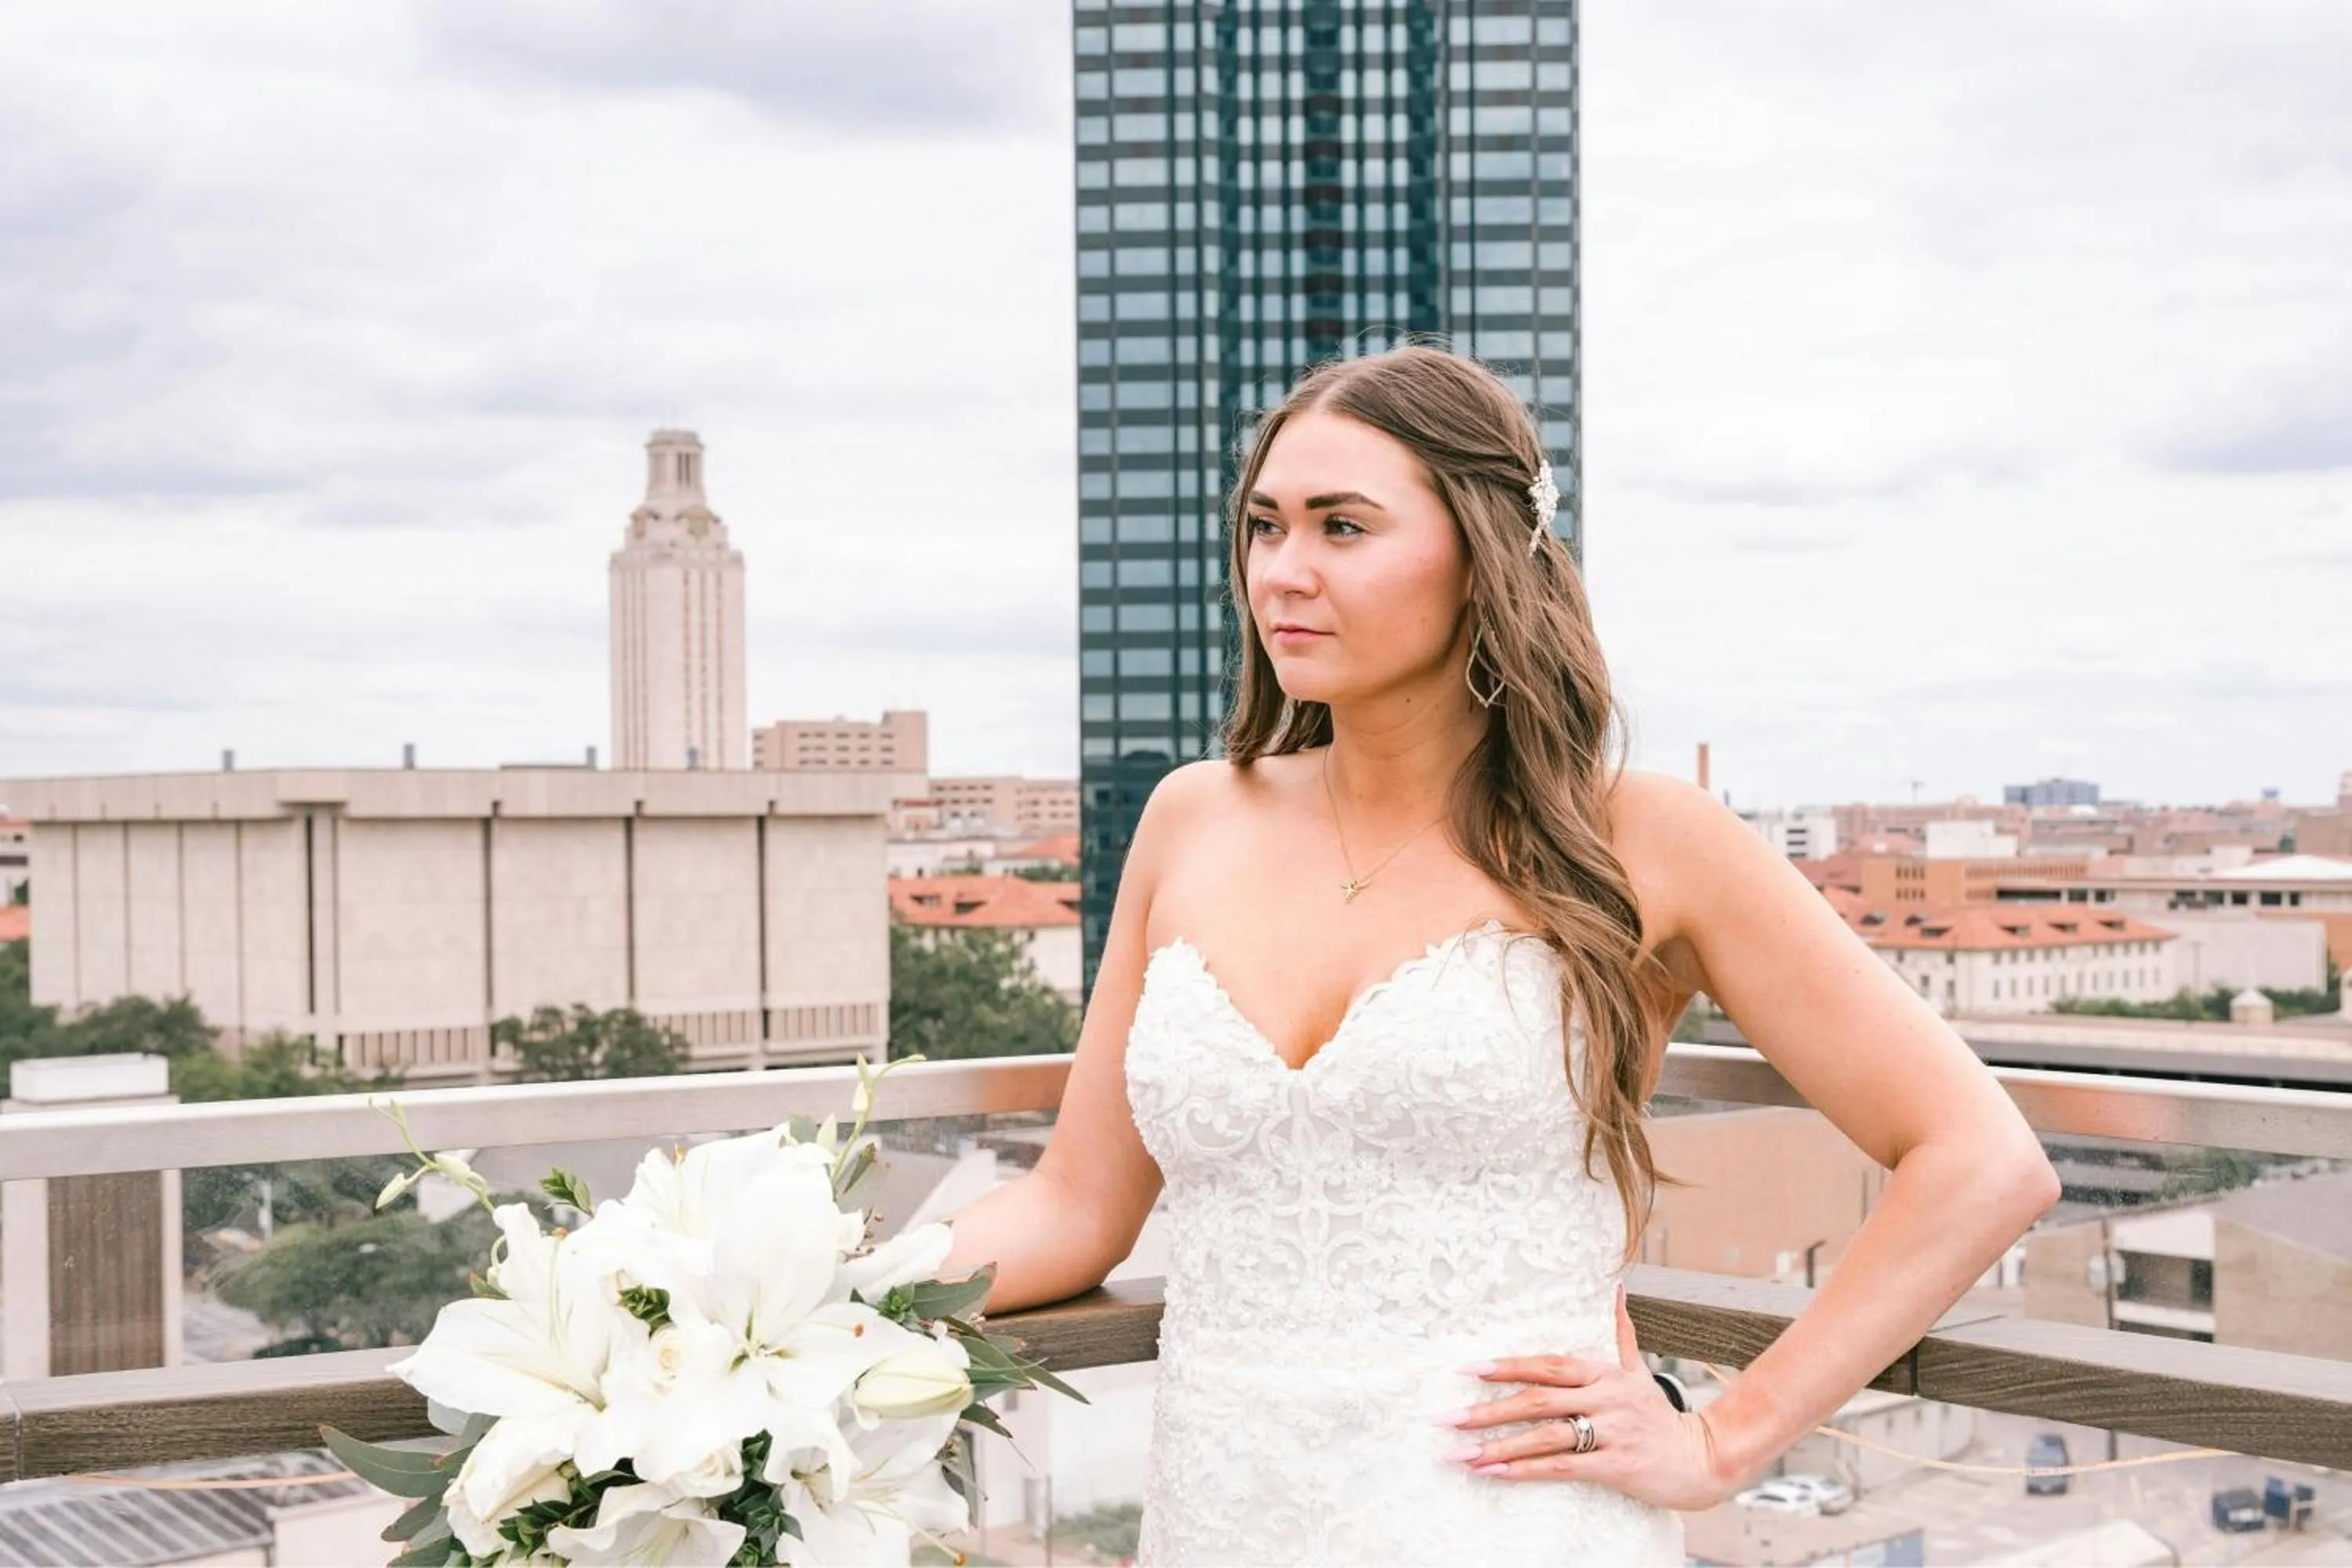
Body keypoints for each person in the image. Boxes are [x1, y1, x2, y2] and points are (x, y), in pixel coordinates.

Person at [941, 345, 2059, 1565]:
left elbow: (1983, 1161)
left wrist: (1726, 1439)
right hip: (1227, 1508)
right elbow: (1076, 1205)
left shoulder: (1646, 837)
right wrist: (790, 1288)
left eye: (1343, 527)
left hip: (1508, 1515)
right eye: (1265, 528)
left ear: (1482, 553)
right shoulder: (1191, 818)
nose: (1284, 573)